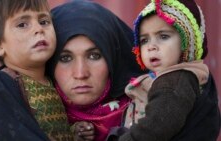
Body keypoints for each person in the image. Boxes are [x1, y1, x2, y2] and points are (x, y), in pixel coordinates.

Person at [107, 0, 221, 141]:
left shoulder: (174, 82)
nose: (151, 46)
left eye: (163, 36)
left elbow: (154, 129)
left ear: (186, 41)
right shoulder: (189, 76)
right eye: (144, 40)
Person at [0, 0, 73, 140]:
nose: (39, 29)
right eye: (22, 25)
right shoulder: (3, 86)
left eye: (44, 21)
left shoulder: (55, 79)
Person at [47, 1, 144, 140]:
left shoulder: (152, 110)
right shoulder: (29, 116)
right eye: (65, 58)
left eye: (94, 56)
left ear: (113, 58)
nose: (81, 74)